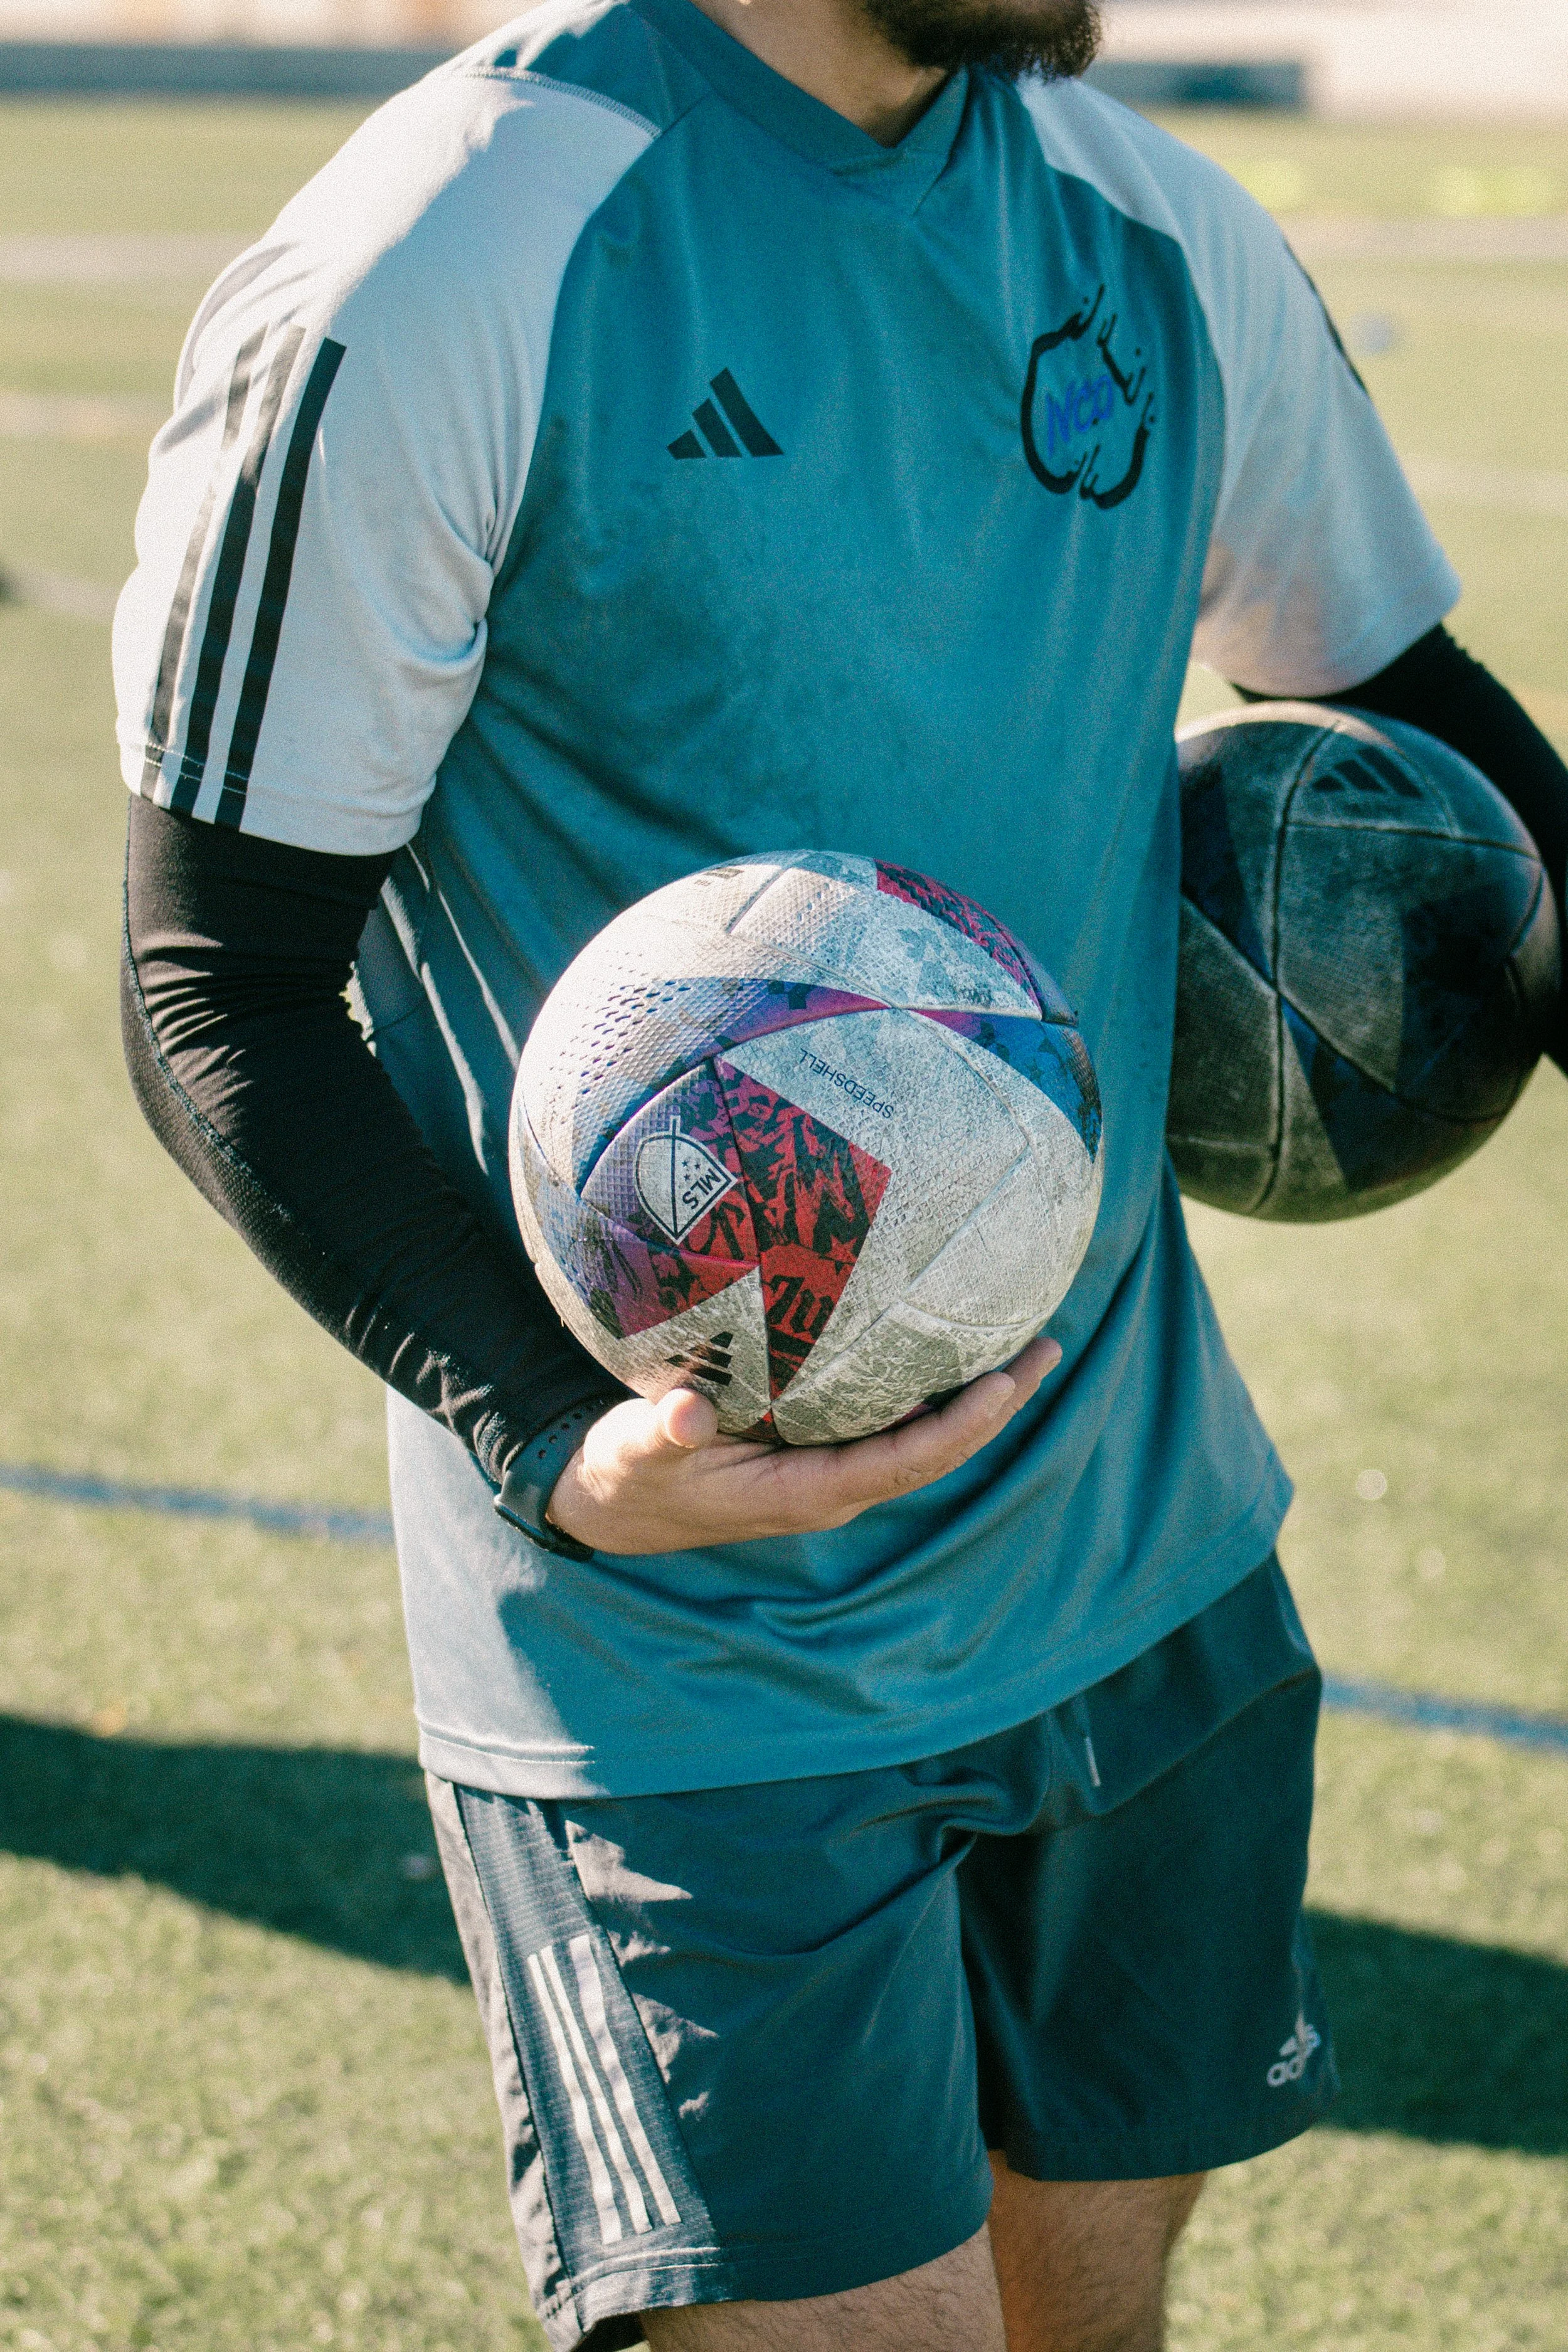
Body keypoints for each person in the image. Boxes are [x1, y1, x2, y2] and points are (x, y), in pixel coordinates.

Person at [113, 0, 1568, 2344]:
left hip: (1142, 1568)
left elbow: (1409, 705)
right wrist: (555, 1432)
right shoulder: (448, 256)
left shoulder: (1145, 224)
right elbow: (216, 993)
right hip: (686, 1652)